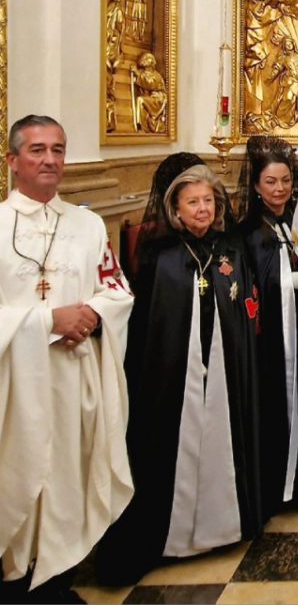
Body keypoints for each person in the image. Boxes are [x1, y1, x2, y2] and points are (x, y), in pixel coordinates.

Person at [96, 160, 261, 585]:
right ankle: (172, 536)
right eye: (193, 202)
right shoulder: (162, 259)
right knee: (176, 443)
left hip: (223, 368)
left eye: (208, 201)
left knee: (221, 435)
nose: (203, 209)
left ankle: (222, 525)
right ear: (176, 209)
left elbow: (243, 312)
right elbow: (153, 327)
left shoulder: (232, 250)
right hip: (175, 373)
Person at [0, 116, 133, 602]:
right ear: (13, 161)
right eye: (37, 150)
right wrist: (47, 320)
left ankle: (56, 578)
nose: (50, 160)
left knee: (69, 479)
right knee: (17, 479)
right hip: (15, 387)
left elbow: (116, 289)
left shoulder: (87, 225)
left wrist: (93, 314)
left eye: (58, 149)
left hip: (74, 379)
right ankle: (15, 580)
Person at [237, 135, 298, 513]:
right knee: (276, 406)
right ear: (257, 186)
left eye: (286, 181)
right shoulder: (249, 233)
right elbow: (262, 284)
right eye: (271, 182)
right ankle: (278, 487)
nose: (279, 189)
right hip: (272, 339)